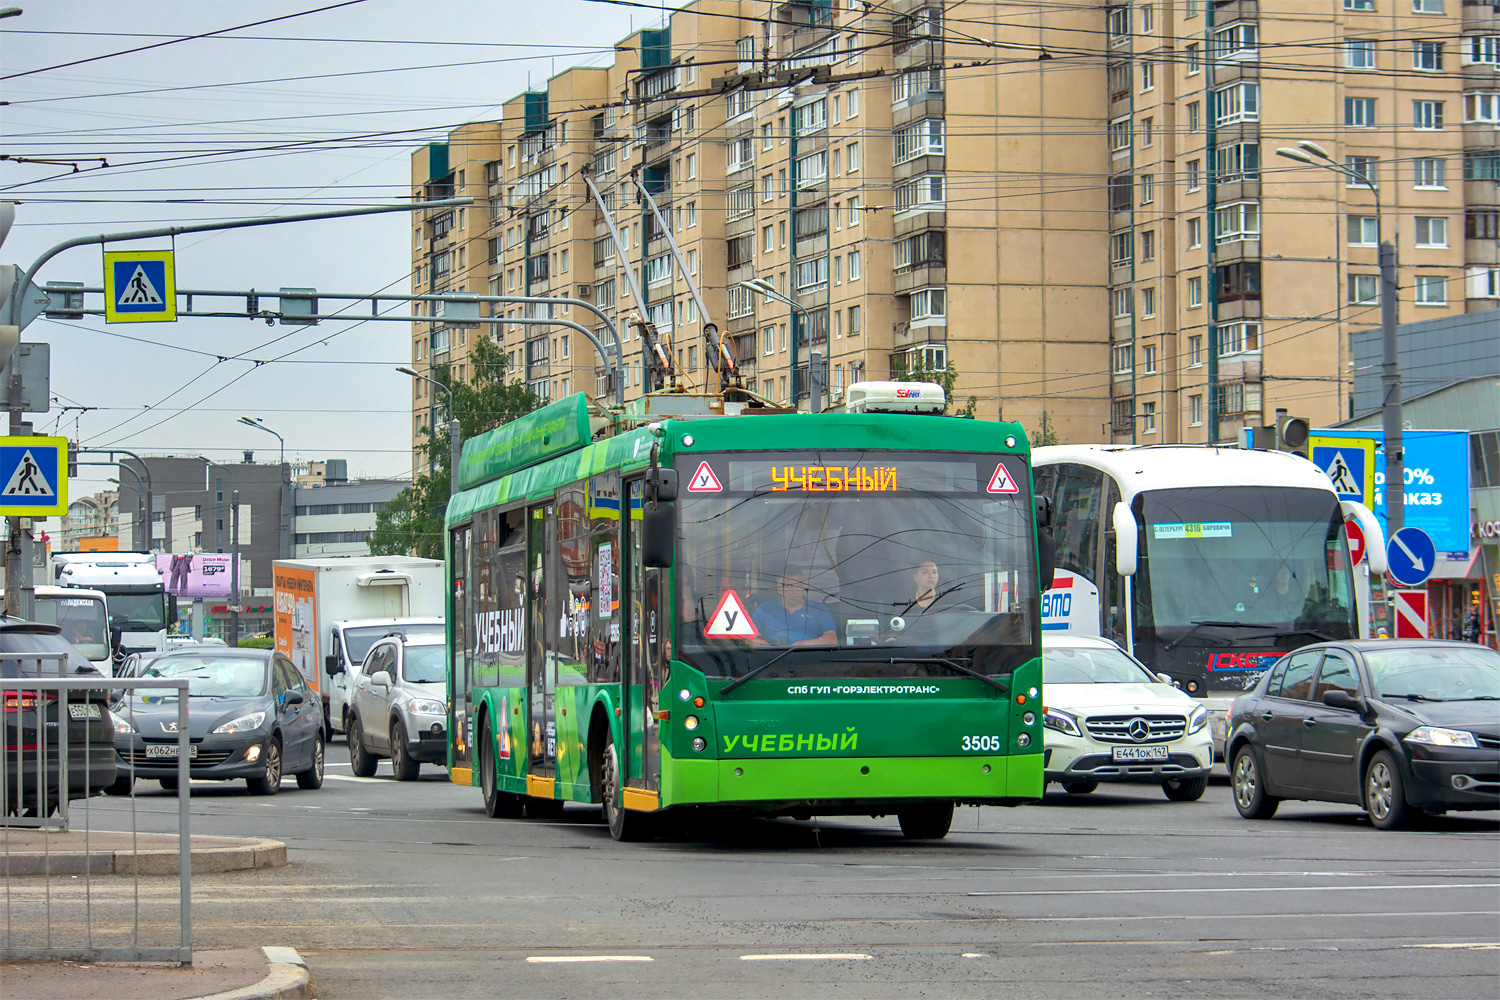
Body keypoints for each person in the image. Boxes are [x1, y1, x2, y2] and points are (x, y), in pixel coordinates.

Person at [750, 570, 836, 647]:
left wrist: (801, 645)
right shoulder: (765, 609)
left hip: (811, 657)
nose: (795, 590)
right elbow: (749, 639)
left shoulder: (818, 609)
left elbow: (831, 639)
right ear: (779, 589)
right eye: (789, 586)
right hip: (770, 659)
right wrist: (768, 646)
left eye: (799, 585)